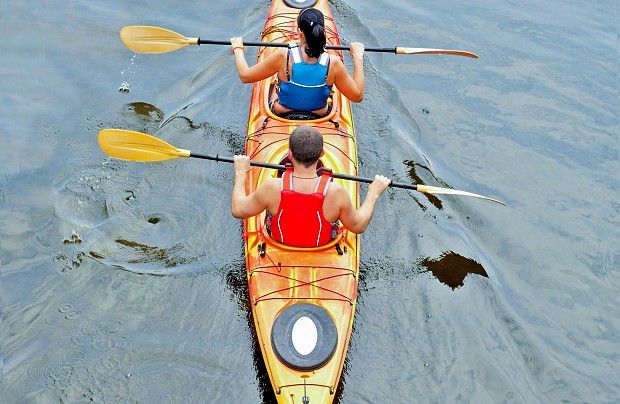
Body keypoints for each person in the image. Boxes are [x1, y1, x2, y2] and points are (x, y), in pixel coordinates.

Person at [231, 126, 390, 248]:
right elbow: (358, 226)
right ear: (322, 154)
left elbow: (238, 210)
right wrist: (373, 193)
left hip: (278, 242)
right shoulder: (336, 192)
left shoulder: (271, 187)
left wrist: (241, 173)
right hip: (322, 245)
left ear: (290, 154)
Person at [230, 7, 365, 116]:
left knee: (273, 83)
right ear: (323, 32)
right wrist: (358, 57)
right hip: (320, 113)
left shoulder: (283, 55)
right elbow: (357, 96)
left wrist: (238, 49)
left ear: (300, 32)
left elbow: (245, 76)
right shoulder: (334, 63)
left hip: (282, 111)